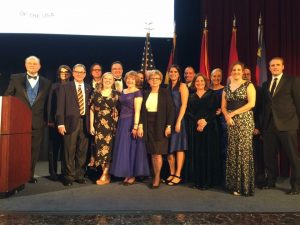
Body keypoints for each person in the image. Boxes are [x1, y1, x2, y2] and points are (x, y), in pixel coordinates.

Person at [4, 55, 52, 184]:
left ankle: (29, 175)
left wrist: (47, 121)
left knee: (34, 150)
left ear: (39, 66)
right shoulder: (15, 78)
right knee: (17, 149)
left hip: (37, 122)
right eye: (29, 63)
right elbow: (8, 97)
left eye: (35, 64)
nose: (32, 65)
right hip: (18, 122)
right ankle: (16, 174)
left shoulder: (46, 83)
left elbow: (48, 103)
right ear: (25, 65)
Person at [261, 57, 300, 195]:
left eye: (278, 65)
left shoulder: (292, 81)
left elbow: (298, 103)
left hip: (288, 124)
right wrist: (262, 126)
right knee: (269, 156)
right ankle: (271, 181)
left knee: (293, 157)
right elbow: (264, 107)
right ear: (269, 68)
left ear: (283, 66)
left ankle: (296, 186)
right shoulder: (265, 85)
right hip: (269, 126)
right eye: (272, 65)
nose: (275, 67)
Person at [221, 61, 256, 196]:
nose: (236, 72)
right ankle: (233, 185)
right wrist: (227, 117)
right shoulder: (227, 87)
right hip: (230, 121)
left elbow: (251, 103)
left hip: (245, 120)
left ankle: (244, 186)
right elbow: (223, 106)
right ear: (231, 72)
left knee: (243, 151)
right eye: (234, 70)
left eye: (238, 70)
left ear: (242, 72)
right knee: (233, 151)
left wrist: (234, 113)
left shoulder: (248, 85)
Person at [110, 71, 150, 185]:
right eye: (128, 79)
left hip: (131, 122)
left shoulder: (138, 93)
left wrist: (136, 126)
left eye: (132, 79)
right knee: (124, 148)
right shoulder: (123, 91)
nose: (130, 81)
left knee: (132, 148)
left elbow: (137, 111)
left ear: (136, 81)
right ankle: (126, 173)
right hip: (122, 123)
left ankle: (132, 175)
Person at [138, 70, 175, 188]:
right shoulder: (145, 93)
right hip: (148, 124)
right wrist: (141, 125)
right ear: (148, 81)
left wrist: (169, 125)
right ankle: (154, 174)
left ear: (160, 80)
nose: (154, 81)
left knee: (158, 153)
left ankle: (157, 177)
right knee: (153, 153)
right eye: (152, 79)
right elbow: (142, 111)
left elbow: (171, 110)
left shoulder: (165, 93)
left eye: (157, 78)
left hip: (160, 124)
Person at [56, 64, 92, 186]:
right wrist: (60, 123)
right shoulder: (65, 87)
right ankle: (68, 176)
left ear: (85, 74)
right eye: (77, 72)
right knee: (68, 150)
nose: (79, 74)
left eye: (82, 72)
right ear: (73, 73)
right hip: (70, 123)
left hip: (85, 122)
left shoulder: (89, 88)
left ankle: (79, 175)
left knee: (82, 150)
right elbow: (60, 107)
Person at [186, 74, 221, 189]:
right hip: (196, 128)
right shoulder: (191, 96)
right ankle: (198, 181)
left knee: (208, 153)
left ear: (205, 82)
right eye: (197, 81)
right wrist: (198, 122)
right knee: (198, 154)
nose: (199, 83)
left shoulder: (212, 94)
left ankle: (208, 182)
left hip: (210, 127)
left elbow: (215, 111)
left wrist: (205, 121)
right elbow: (189, 112)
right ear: (194, 83)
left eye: (201, 81)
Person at [90, 72, 120, 185]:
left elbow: (122, 109)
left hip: (112, 126)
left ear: (113, 81)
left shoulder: (117, 94)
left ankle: (105, 174)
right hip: (98, 126)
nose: (107, 80)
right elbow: (92, 110)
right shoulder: (95, 93)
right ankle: (104, 173)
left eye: (110, 79)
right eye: (106, 78)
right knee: (100, 150)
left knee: (110, 150)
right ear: (102, 80)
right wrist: (91, 125)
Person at [47, 65, 71, 181]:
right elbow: (50, 104)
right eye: (61, 72)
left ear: (70, 73)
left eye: (66, 72)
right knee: (54, 149)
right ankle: (53, 172)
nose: (64, 73)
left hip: (69, 122)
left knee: (66, 149)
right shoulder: (54, 86)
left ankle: (64, 172)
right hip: (55, 122)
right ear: (58, 73)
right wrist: (50, 120)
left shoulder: (72, 86)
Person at [166, 65, 189, 186]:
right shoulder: (167, 87)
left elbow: (184, 105)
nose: (173, 73)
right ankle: (172, 172)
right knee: (169, 148)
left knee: (179, 147)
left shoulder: (182, 86)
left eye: (175, 72)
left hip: (179, 119)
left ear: (179, 74)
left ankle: (178, 174)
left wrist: (179, 121)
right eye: (171, 71)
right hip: (168, 121)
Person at [243, 67, 265, 187]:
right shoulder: (239, 90)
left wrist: (258, 127)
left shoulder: (258, 90)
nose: (246, 76)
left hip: (255, 128)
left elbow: (262, 110)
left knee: (257, 154)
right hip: (242, 127)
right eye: (244, 74)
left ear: (251, 76)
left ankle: (259, 179)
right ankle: (247, 179)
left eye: (248, 74)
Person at [210, 68, 227, 185]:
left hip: (221, 123)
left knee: (222, 149)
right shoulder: (206, 89)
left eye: (219, 76)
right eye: (214, 76)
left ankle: (223, 177)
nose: (216, 78)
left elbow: (229, 104)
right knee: (211, 150)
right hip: (209, 122)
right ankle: (212, 176)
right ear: (210, 77)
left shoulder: (225, 89)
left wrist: (222, 109)